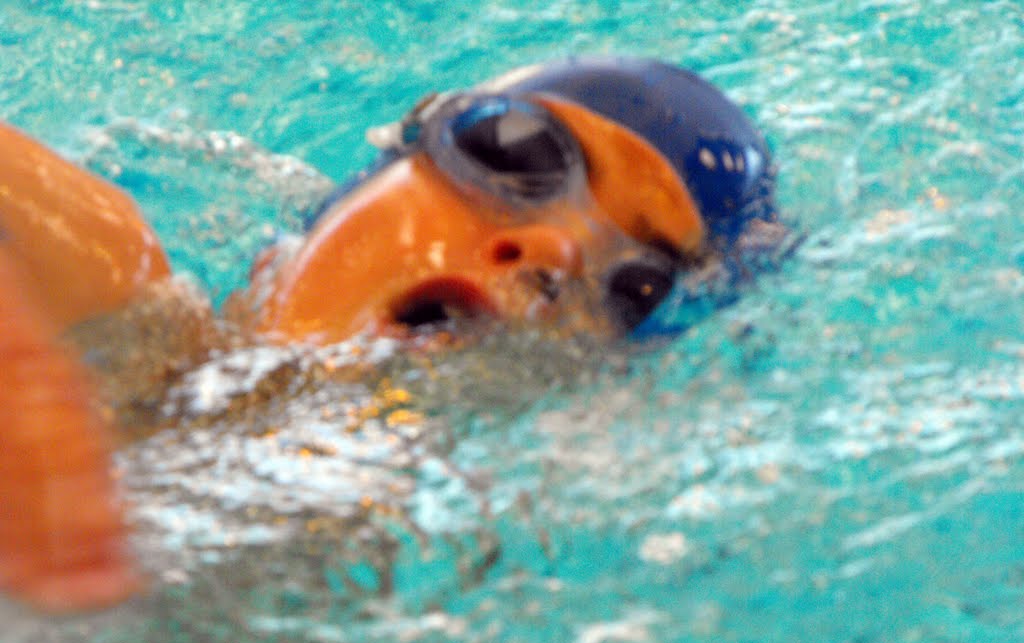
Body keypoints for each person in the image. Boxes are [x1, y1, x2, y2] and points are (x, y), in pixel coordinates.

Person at [0, 56, 777, 612]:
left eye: (635, 288)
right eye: (516, 149)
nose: (551, 253)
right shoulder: (89, 291)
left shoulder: (468, 619)